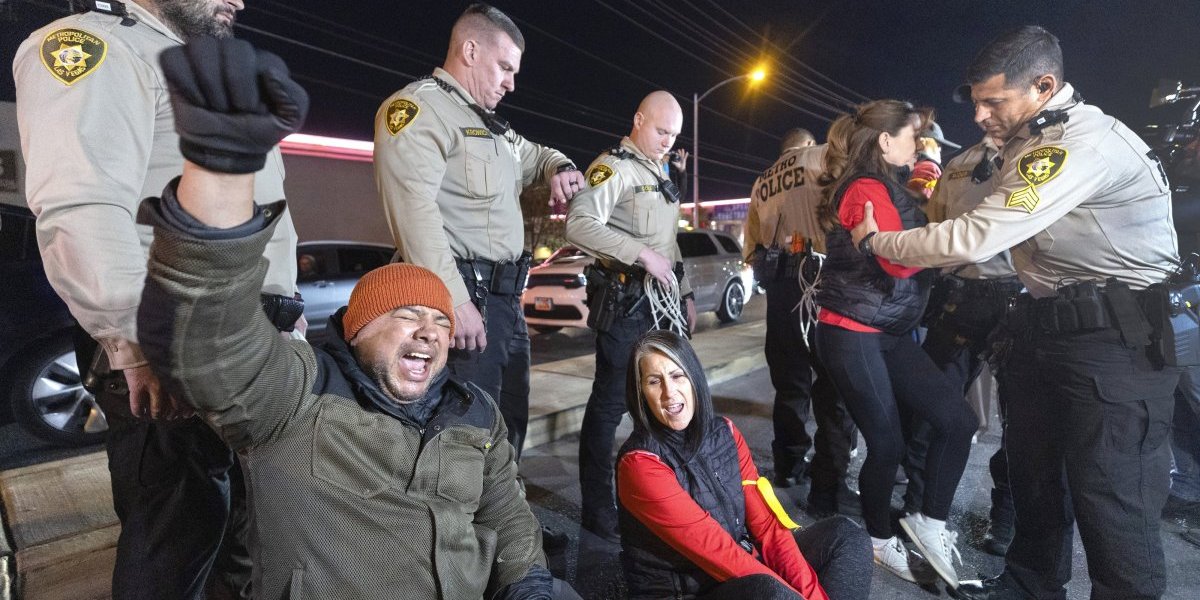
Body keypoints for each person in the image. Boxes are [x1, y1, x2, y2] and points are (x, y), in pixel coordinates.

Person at [136, 38, 580, 600]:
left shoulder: (474, 415)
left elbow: (506, 509)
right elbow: (211, 347)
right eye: (406, 315)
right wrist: (221, 176)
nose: (428, 332)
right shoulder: (300, 399)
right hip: (464, 280)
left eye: (439, 325)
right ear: (355, 327)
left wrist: (531, 582)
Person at [851, 26, 1181, 600]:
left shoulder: (1077, 143)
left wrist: (876, 241)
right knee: (1035, 480)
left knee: (1112, 497)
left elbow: (974, 236)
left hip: (1114, 340)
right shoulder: (1026, 145)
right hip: (1045, 329)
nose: (979, 114)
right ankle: (1028, 587)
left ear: (1044, 86)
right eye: (976, 100)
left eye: (993, 101)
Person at [13, 2, 301, 598]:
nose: (241, 1)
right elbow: (80, 210)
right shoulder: (93, 45)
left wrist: (287, 325)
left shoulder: (198, 67)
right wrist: (141, 344)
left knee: (249, 537)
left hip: (247, 339)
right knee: (177, 543)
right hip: (177, 336)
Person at [373, 3, 584, 459]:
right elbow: (414, 211)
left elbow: (537, 154)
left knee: (507, 423)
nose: (511, 82)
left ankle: (501, 527)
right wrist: (456, 300)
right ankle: (459, 529)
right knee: (462, 437)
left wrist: (561, 167)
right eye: (504, 67)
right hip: (464, 300)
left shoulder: (492, 130)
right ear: (470, 50)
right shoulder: (418, 109)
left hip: (505, 304)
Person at [814, 99, 977, 589]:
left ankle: (928, 524)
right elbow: (898, 262)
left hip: (886, 330)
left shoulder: (883, 184)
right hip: (851, 333)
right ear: (885, 142)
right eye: (912, 135)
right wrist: (958, 243)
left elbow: (906, 207)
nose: (920, 143)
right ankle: (879, 539)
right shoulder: (863, 186)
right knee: (886, 445)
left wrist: (926, 168)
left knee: (957, 419)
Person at [616, 330, 873, 600]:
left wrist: (812, 595)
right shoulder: (640, 464)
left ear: (694, 377)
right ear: (641, 393)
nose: (669, 393)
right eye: (654, 382)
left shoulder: (725, 432)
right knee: (770, 593)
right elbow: (718, 552)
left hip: (742, 566)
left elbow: (768, 527)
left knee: (847, 537)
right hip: (686, 590)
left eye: (677, 376)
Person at [566, 90, 696, 542]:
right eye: (661, 131)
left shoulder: (657, 171)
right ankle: (598, 511)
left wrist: (687, 293)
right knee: (608, 409)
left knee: (659, 407)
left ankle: (653, 496)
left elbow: (668, 240)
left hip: (661, 308)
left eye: (674, 135)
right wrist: (639, 254)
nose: (667, 141)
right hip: (624, 306)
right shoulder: (614, 167)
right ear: (638, 119)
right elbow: (578, 224)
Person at [743, 126, 858, 518]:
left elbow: (752, 246)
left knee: (790, 382)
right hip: (823, 281)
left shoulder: (762, 182)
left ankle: (790, 465)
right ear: (807, 144)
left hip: (781, 288)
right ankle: (831, 477)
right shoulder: (823, 156)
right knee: (835, 381)